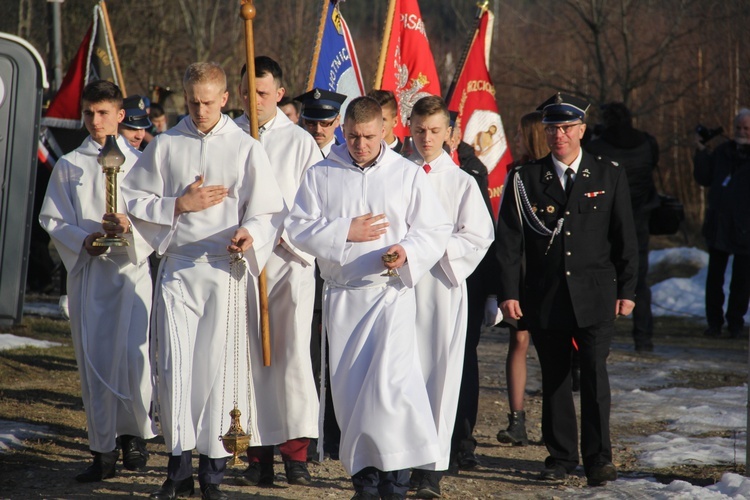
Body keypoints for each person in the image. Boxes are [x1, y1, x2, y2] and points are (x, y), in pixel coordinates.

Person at [121, 61, 286, 500]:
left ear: (225, 99)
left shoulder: (246, 147)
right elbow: (135, 198)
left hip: (226, 268)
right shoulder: (168, 143)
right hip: (179, 266)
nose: (199, 110)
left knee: (219, 371)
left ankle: (213, 474)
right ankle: (178, 468)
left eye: (208, 103)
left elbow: (268, 209)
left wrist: (249, 233)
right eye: (192, 102)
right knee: (176, 365)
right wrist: (178, 204)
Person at [285, 96, 453, 500]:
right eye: (354, 136)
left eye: (370, 137)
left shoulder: (406, 174)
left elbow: (434, 228)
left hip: (389, 297)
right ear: (344, 131)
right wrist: (345, 230)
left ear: (385, 131)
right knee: (353, 397)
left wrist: (406, 251)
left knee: (391, 392)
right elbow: (297, 228)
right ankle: (365, 483)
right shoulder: (321, 174)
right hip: (345, 299)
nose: (361, 145)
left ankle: (394, 482)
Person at [496, 93, 637, 487]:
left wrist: (628, 289)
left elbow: (625, 237)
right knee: (555, 377)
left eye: (566, 128)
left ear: (581, 130)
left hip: (595, 294)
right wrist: (509, 292)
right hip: (546, 295)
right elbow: (509, 242)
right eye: (552, 128)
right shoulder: (525, 180)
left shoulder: (608, 173)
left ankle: (598, 458)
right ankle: (560, 457)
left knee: (594, 376)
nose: (558, 135)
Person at [39, 80, 156, 483]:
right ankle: (102, 448)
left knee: (134, 358)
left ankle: (135, 438)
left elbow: (156, 220)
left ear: (121, 115)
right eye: (89, 113)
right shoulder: (70, 164)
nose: (95, 121)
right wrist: (81, 239)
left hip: (131, 273)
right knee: (97, 361)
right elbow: (52, 218)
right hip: (90, 275)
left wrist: (130, 229)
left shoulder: (142, 164)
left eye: (104, 113)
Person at [234, 56, 322, 487]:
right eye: (249, 93)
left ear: (280, 94)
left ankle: (295, 455)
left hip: (289, 263)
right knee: (249, 360)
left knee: (289, 359)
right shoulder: (231, 136)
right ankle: (256, 455)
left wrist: (276, 236)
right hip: (243, 266)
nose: (256, 102)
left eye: (264, 94)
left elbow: (312, 206)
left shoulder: (299, 143)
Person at [407, 96, 494, 498]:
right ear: (408, 127)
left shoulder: (461, 182)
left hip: (440, 288)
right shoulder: (393, 173)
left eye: (435, 131)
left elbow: (478, 236)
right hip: (397, 287)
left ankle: (431, 467)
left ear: (450, 134)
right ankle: (398, 457)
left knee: (438, 374)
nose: (427, 138)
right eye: (420, 130)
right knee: (398, 373)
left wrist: (432, 249)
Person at [446, 115, 502, 470]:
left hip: (467, 282)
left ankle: (463, 440)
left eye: (442, 130)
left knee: (464, 362)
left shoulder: (473, 171)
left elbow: (485, 236)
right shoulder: (406, 167)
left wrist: (493, 291)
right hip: (422, 284)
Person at [496, 111, 550, 446]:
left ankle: (552, 421)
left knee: (551, 346)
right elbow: (507, 233)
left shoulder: (550, 175)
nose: (515, 141)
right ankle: (517, 420)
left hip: (547, 273)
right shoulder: (515, 174)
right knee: (518, 341)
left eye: (519, 135)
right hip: (521, 273)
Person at [587, 102, 659, 351]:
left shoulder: (597, 148)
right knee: (638, 278)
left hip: (606, 220)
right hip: (640, 217)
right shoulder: (648, 143)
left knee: (600, 278)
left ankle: (597, 333)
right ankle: (644, 337)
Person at [693, 108, 750, 339]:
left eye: (746, 128)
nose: (741, 132)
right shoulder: (722, 152)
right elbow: (704, 178)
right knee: (714, 278)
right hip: (719, 224)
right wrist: (701, 152)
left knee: (742, 281)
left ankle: (735, 323)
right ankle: (714, 323)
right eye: (738, 127)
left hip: (746, 226)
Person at [297, 88, 347, 158]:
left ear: (337, 120)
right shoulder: (295, 155)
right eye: (311, 123)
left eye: (324, 123)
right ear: (304, 121)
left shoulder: (346, 158)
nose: (318, 130)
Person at [367, 89, 403, 153]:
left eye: (382, 119)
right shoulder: (355, 153)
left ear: (395, 122)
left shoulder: (408, 158)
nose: (376, 124)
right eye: (371, 118)